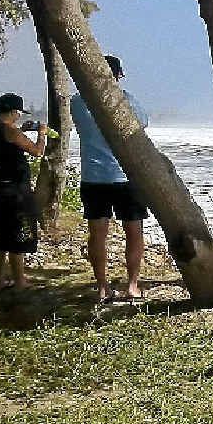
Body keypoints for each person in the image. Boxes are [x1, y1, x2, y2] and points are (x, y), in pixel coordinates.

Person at [72, 55, 150, 302]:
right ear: (117, 76)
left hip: (93, 177)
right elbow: (143, 122)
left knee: (97, 234)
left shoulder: (77, 102)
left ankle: (103, 286)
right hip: (125, 177)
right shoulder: (126, 101)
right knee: (134, 231)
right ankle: (132, 285)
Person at [0, 93, 46, 291]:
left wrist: (21, 131)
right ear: (14, 111)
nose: (19, 117)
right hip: (17, 191)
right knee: (20, 236)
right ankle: (20, 281)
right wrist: (41, 133)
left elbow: (7, 142)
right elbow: (37, 151)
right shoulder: (11, 132)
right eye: (18, 113)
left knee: (0, 236)